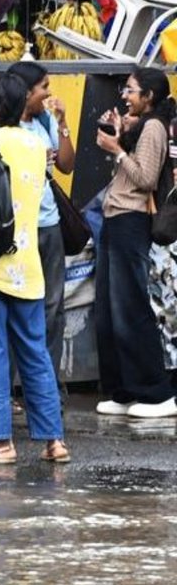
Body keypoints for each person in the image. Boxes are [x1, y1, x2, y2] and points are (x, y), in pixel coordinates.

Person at [0, 73, 71, 466]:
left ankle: (1, 444)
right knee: (35, 354)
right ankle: (54, 441)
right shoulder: (37, 144)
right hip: (29, 265)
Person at [92, 67, 177, 418]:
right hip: (116, 218)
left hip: (132, 220)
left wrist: (117, 149)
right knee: (109, 311)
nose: (125, 96)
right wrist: (121, 132)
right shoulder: (142, 125)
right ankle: (124, 389)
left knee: (130, 308)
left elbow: (143, 177)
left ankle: (155, 393)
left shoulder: (155, 127)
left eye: (131, 91)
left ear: (149, 97)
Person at [10, 61, 74, 387]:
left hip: (48, 224)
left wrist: (62, 124)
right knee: (13, 308)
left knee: (52, 308)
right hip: (17, 229)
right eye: (44, 87)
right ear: (26, 93)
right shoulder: (4, 126)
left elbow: (66, 165)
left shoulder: (45, 120)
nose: (49, 94)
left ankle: (46, 387)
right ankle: (8, 387)